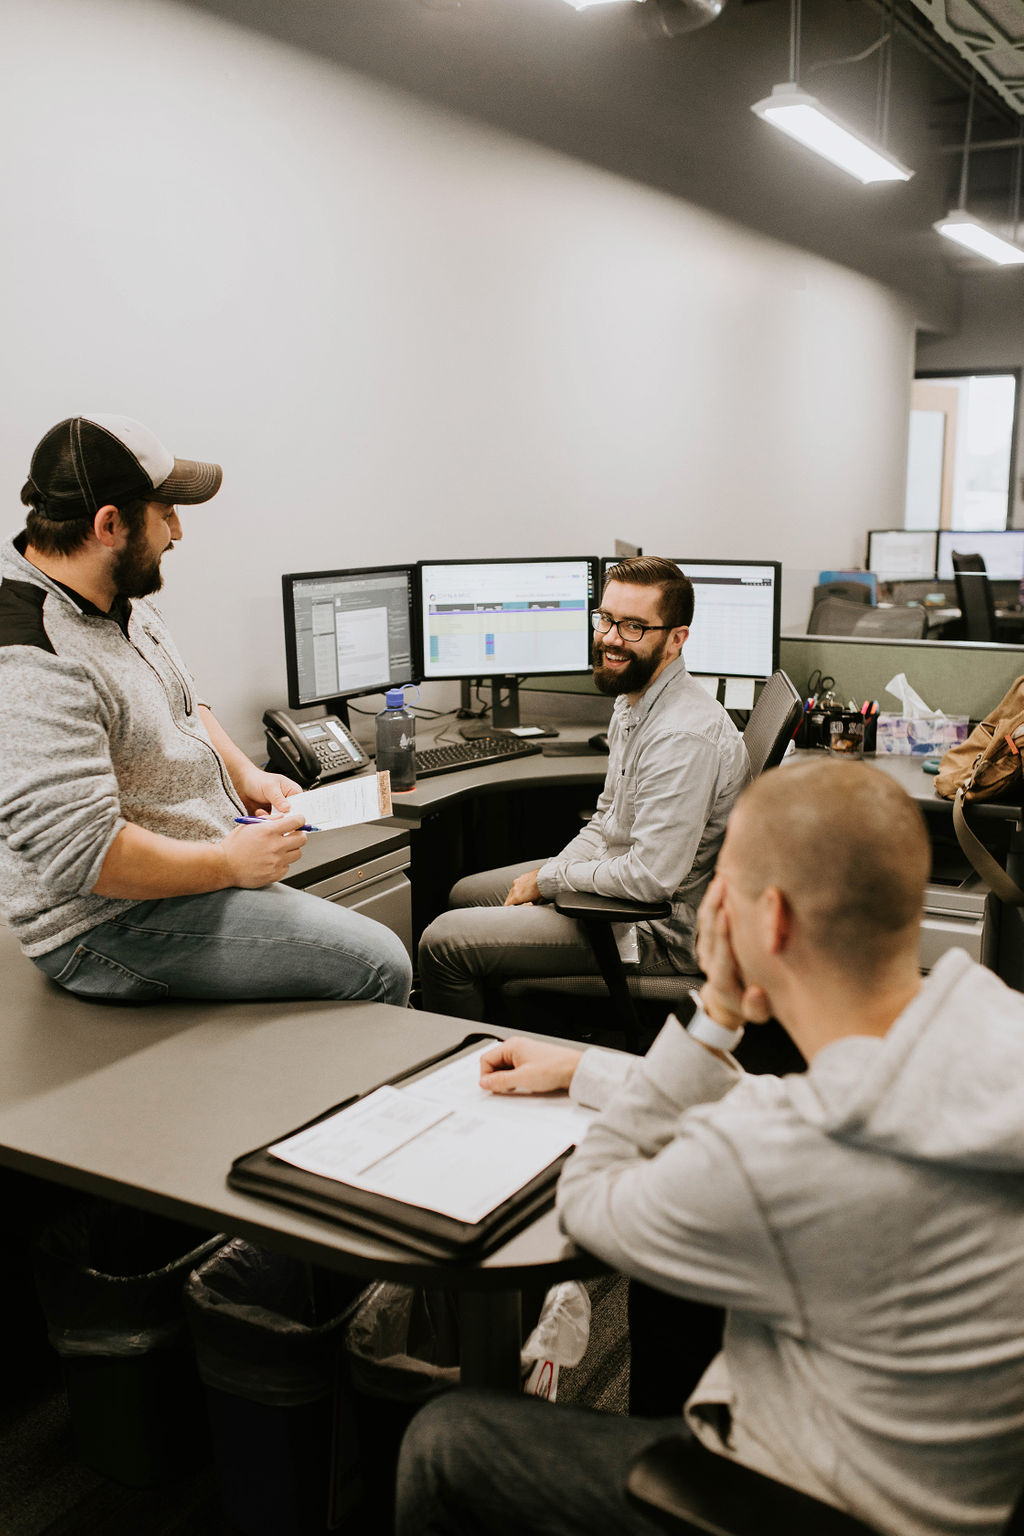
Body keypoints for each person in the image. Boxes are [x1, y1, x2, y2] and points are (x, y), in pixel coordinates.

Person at [398, 756, 1024, 1536]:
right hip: (956, 1485)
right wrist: (594, 1070)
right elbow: (814, 1108)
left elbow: (591, 1201)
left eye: (720, 888)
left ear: (768, 922)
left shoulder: (781, 1157)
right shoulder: (991, 1029)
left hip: (818, 1499)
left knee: (446, 1441)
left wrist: (718, 1007)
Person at [0, 413, 411, 1006]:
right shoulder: (32, 655)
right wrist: (227, 863)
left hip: (189, 874)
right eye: (165, 514)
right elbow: (83, 856)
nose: (178, 532)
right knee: (380, 964)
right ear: (109, 524)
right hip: (103, 924)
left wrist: (246, 775)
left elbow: (182, 701)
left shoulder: (117, 597)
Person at [417, 556, 750, 1020]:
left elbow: (650, 881)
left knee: (443, 942)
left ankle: (465, 1064)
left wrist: (550, 879)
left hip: (654, 932)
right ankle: (511, 1028)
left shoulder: (681, 736)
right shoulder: (634, 700)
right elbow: (606, 819)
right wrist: (555, 873)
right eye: (606, 619)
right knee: (465, 893)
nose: (611, 638)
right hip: (622, 895)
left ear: (677, 639)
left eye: (634, 627)